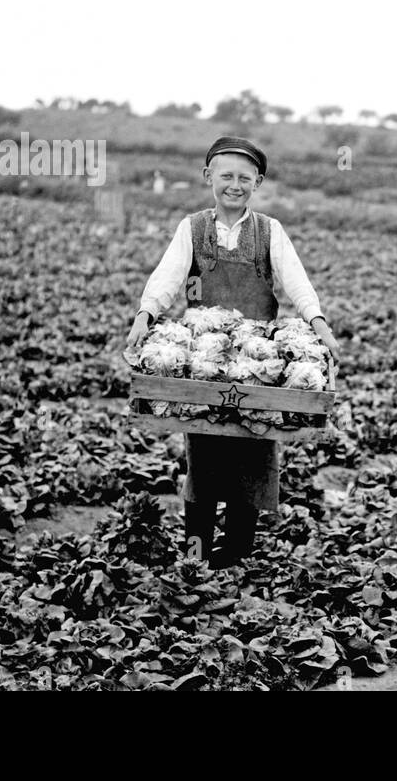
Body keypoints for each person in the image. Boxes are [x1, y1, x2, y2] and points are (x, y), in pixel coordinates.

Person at [126, 136, 340, 567]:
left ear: (257, 182)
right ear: (209, 177)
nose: (234, 185)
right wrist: (144, 317)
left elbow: (296, 282)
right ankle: (197, 551)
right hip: (205, 360)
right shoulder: (193, 228)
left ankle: (237, 552)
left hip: (256, 362)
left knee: (254, 455)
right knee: (203, 457)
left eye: (245, 178)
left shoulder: (269, 231)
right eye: (226, 176)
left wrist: (319, 325)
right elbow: (167, 277)